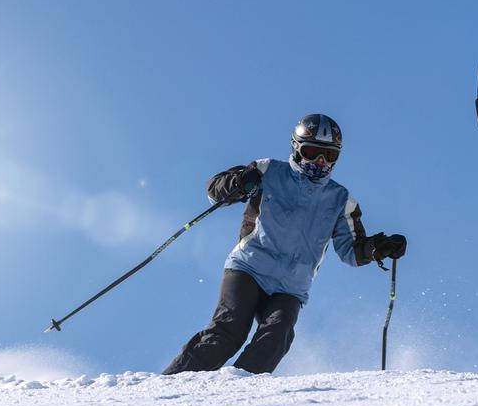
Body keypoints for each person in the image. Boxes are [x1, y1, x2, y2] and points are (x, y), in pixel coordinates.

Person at [163, 114, 407, 375]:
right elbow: (215, 190)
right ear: (296, 148)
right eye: (311, 152)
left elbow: (352, 250)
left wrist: (378, 247)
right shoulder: (269, 171)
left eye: (328, 155)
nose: (319, 161)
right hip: (249, 268)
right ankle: (172, 384)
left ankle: (238, 390)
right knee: (228, 332)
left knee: (277, 335)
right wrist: (239, 183)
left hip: (290, 287)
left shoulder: (340, 200)